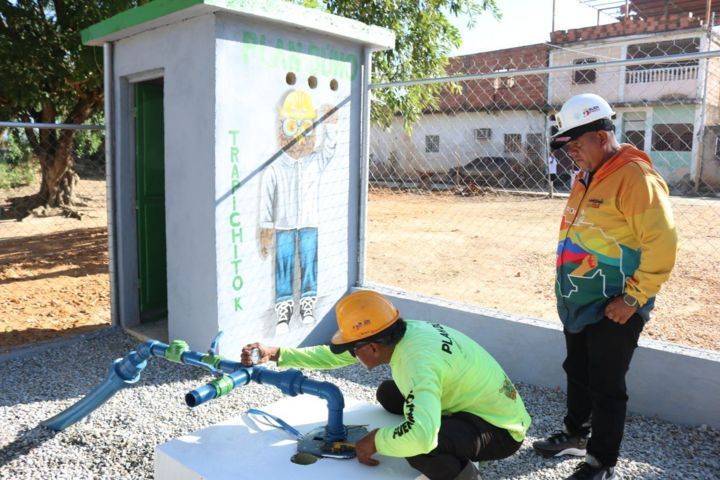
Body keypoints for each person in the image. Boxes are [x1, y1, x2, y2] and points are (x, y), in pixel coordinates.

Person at [533, 93, 677, 480]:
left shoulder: (636, 177)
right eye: (567, 145)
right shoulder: (586, 175)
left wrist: (633, 298)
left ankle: (601, 461)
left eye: (576, 144)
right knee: (577, 369)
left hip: (617, 304)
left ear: (600, 135)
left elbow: (662, 244)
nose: (572, 152)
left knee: (606, 383)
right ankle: (575, 435)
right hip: (582, 300)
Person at [241, 290, 531, 480]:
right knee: (389, 394)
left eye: (354, 349)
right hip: (480, 403)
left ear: (373, 347)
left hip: (499, 429)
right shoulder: (402, 334)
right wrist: (278, 353)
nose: (351, 355)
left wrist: (377, 439)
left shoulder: (416, 365)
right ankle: (443, 423)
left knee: (417, 449)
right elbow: (332, 356)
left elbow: (421, 437)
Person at [259, 89, 337, 335]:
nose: (301, 136)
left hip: (309, 223)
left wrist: (332, 125)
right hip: (283, 225)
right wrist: (265, 227)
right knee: (283, 265)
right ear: (283, 128)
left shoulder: (315, 161)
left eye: (306, 127)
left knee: (309, 263)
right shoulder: (275, 166)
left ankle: (307, 304)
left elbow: (330, 149)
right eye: (294, 126)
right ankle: (284, 308)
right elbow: (266, 198)